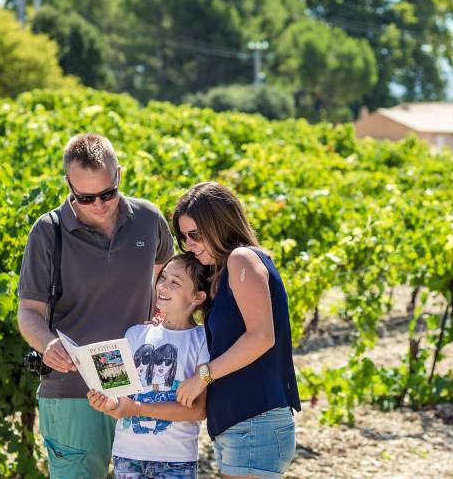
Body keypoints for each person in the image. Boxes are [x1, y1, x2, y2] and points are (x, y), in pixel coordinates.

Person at [17, 133, 174, 478]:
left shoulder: (149, 220)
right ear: (68, 185)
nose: (100, 205)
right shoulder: (48, 232)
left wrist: (161, 318)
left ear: (119, 174)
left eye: (108, 193)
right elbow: (28, 311)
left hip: (141, 388)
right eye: (85, 198)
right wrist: (47, 344)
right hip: (74, 392)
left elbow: (168, 282)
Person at [170, 181, 301, 479]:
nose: (188, 245)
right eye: (183, 237)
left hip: (255, 422)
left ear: (219, 225)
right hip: (242, 424)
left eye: (195, 235)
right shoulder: (223, 272)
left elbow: (261, 336)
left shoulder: (242, 259)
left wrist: (202, 377)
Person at [88, 253, 211, 479]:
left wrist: (138, 409)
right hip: (127, 455)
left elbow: (199, 410)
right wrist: (107, 403)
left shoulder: (203, 338)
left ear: (197, 296)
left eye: (175, 282)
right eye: (162, 278)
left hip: (176, 459)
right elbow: (120, 400)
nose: (163, 285)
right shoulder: (135, 334)